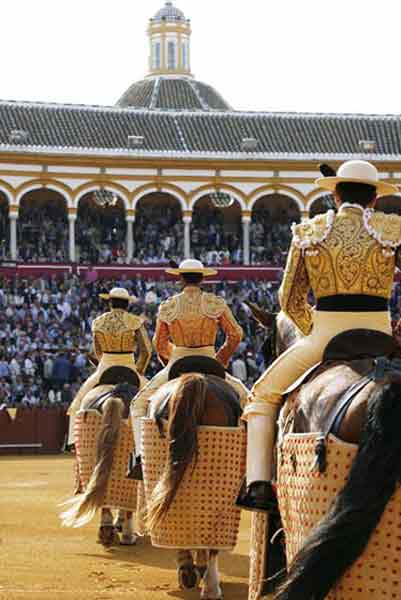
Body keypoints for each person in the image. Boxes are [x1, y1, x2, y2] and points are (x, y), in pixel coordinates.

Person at [241, 160, 401, 510]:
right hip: (381, 333)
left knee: (263, 396)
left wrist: (311, 327)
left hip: (324, 335)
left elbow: (289, 299)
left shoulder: (311, 230)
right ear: (374, 198)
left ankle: (258, 484)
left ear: (335, 193)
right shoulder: (392, 229)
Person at [131, 259, 248, 462]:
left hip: (178, 361)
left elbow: (159, 343)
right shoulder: (215, 303)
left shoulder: (169, 306)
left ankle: (142, 458)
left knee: (139, 404)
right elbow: (236, 334)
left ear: (180, 279)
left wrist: (171, 360)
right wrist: (220, 359)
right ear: (202, 278)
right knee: (248, 402)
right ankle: (247, 461)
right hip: (209, 361)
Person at [67, 287, 152, 444]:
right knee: (153, 399)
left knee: (78, 401)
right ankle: (142, 446)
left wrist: (103, 364)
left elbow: (98, 351)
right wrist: (138, 371)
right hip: (129, 366)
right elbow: (146, 351)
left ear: (110, 303)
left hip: (104, 367)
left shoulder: (98, 322)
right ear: (127, 304)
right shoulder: (135, 321)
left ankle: (72, 441)